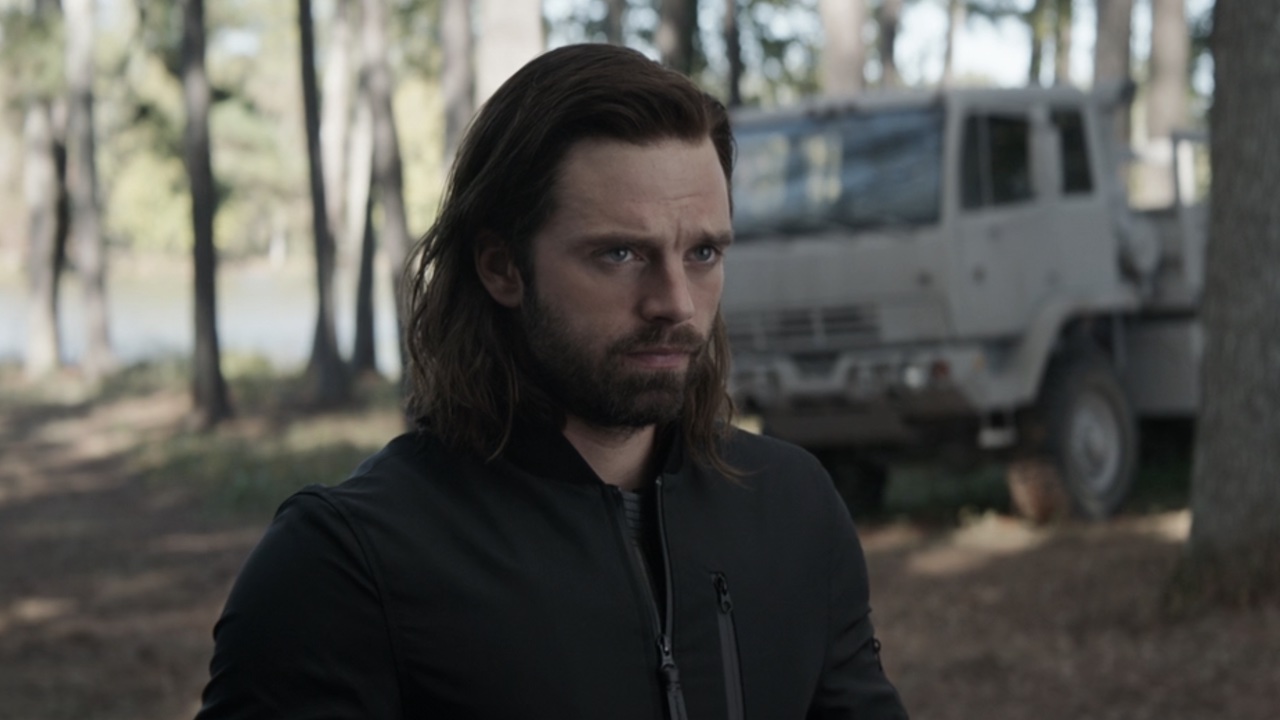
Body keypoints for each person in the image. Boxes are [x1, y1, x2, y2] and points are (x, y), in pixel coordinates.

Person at [195, 43, 908, 719]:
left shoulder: (793, 507)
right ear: (501, 267)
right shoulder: (344, 564)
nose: (676, 304)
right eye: (620, 254)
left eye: (702, 253)